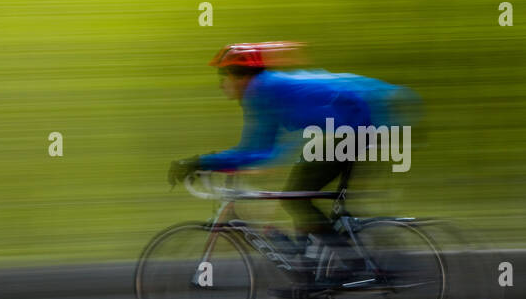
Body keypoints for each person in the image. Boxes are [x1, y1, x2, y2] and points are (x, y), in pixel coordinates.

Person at [168, 42, 417, 271]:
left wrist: (200, 162)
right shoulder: (266, 87)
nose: (220, 84)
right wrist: (216, 162)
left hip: (360, 126)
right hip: (355, 125)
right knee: (296, 192)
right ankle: (307, 265)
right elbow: (266, 152)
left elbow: (257, 152)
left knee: (296, 197)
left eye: (223, 77)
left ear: (238, 75)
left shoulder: (262, 91)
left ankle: (355, 264)